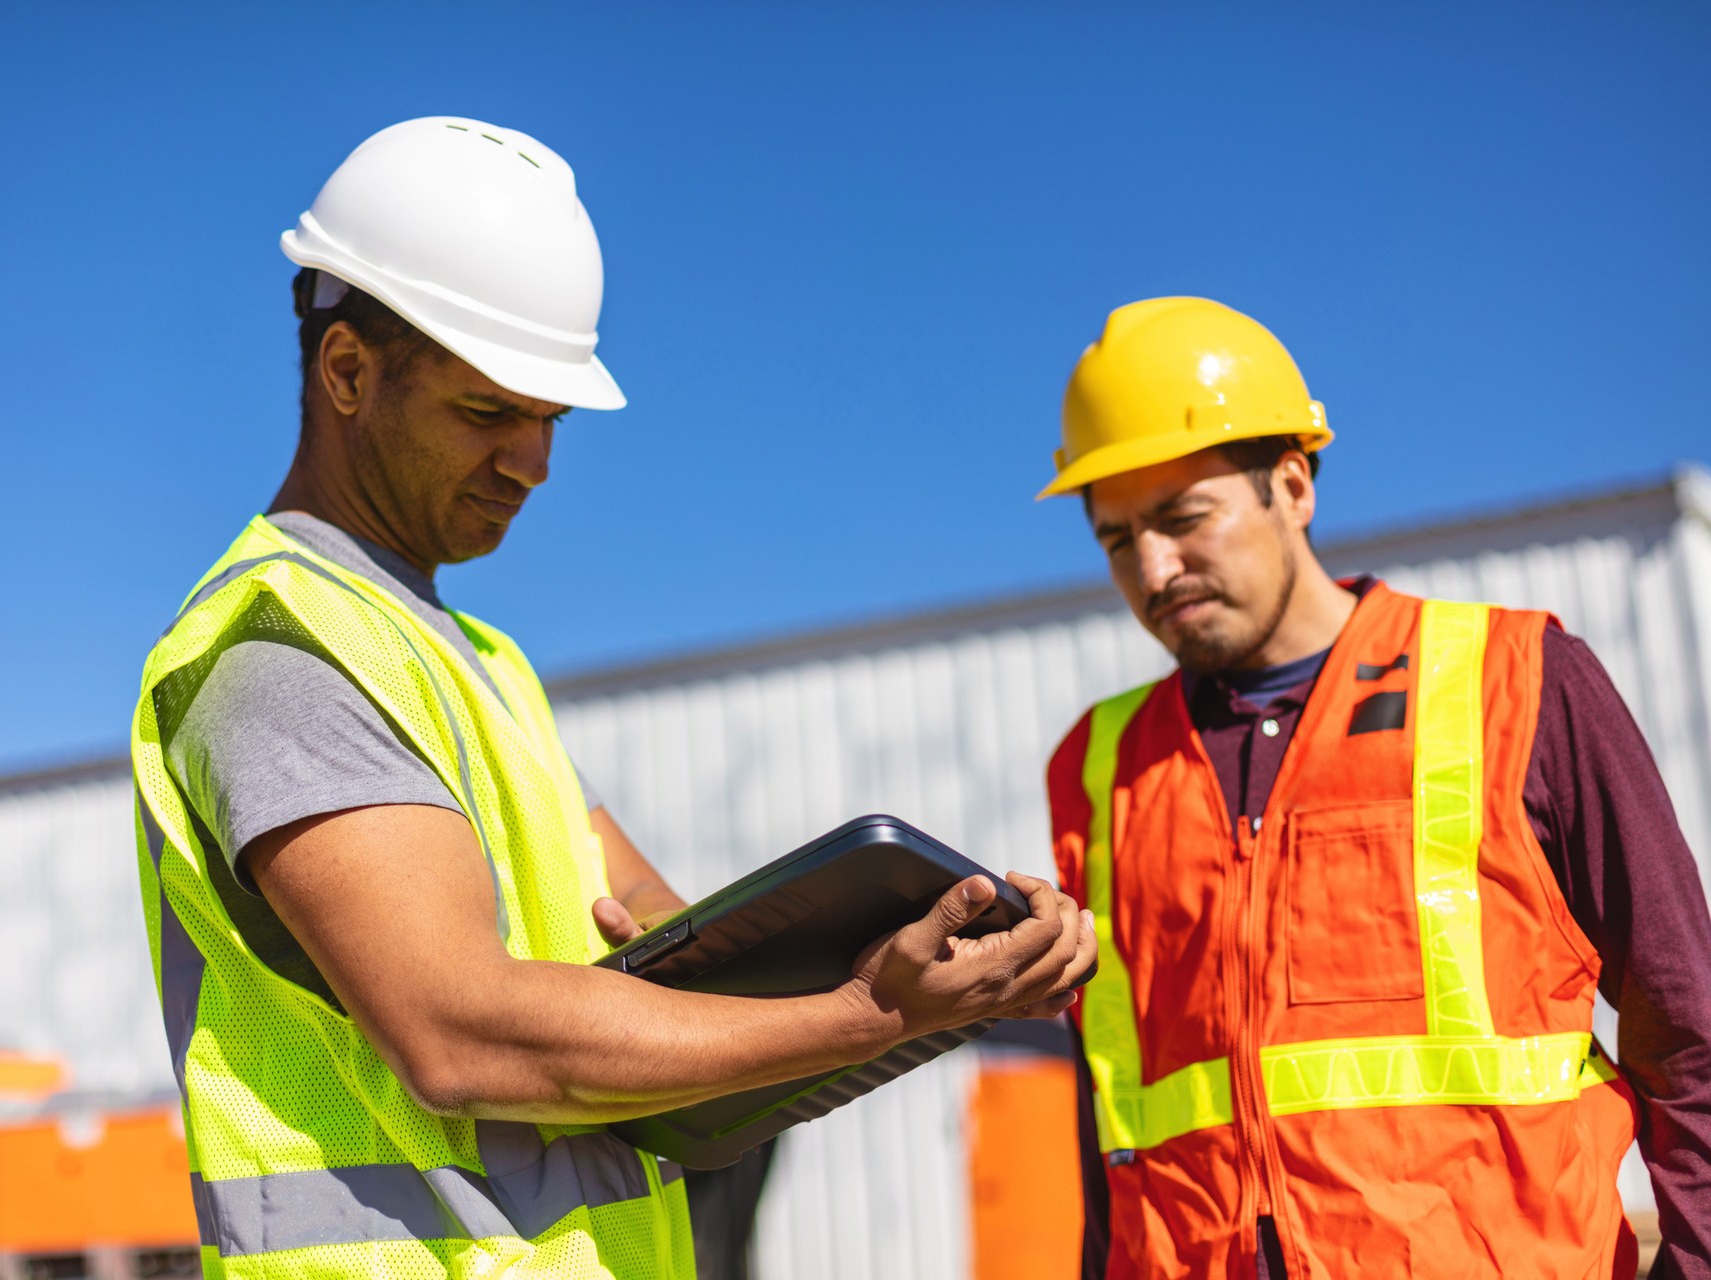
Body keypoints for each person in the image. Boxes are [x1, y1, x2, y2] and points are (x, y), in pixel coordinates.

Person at [127, 116, 1098, 1280]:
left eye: (550, 418)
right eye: (489, 411)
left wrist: (912, 953)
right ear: (347, 371)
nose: (534, 462)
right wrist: (866, 1014)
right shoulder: (278, 647)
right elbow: (456, 1030)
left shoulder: (481, 662)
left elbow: (645, 909)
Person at [1039, 296, 1711, 1279]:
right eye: (1115, 538)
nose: (1153, 567)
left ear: (1293, 484)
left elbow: (1690, 1034)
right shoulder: (1099, 766)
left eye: (1185, 517)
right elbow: (1110, 1120)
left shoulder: (1515, 679)